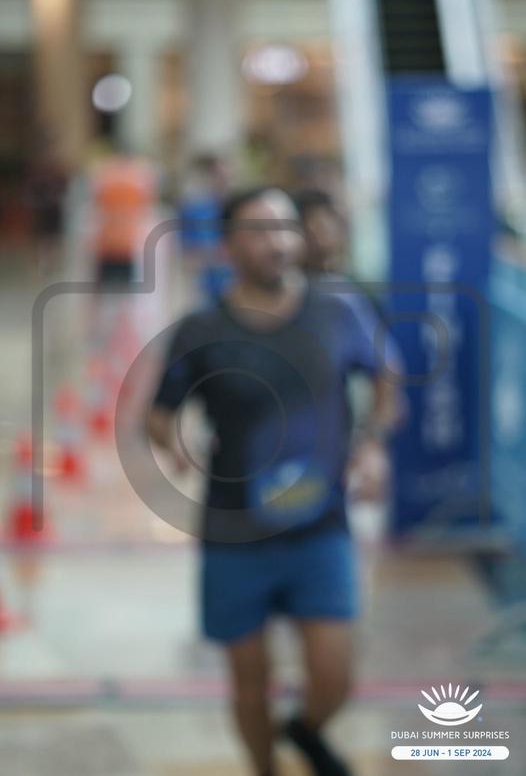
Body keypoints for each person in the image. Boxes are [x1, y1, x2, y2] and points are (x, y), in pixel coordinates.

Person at [146, 187, 401, 776]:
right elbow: (158, 414)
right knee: (249, 679)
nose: (279, 242)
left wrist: (372, 446)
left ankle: (305, 731)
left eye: (286, 228)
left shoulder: (339, 310)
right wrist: (173, 442)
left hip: (322, 523)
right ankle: (264, 767)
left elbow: (386, 376)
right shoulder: (201, 329)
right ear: (228, 244)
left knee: (335, 673)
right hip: (234, 530)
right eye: (260, 230)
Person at [296, 189, 402, 502]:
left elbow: (387, 370)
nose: (319, 237)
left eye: (325, 226)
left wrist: (372, 440)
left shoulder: (354, 296)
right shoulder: (275, 298)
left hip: (337, 435)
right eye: (309, 228)